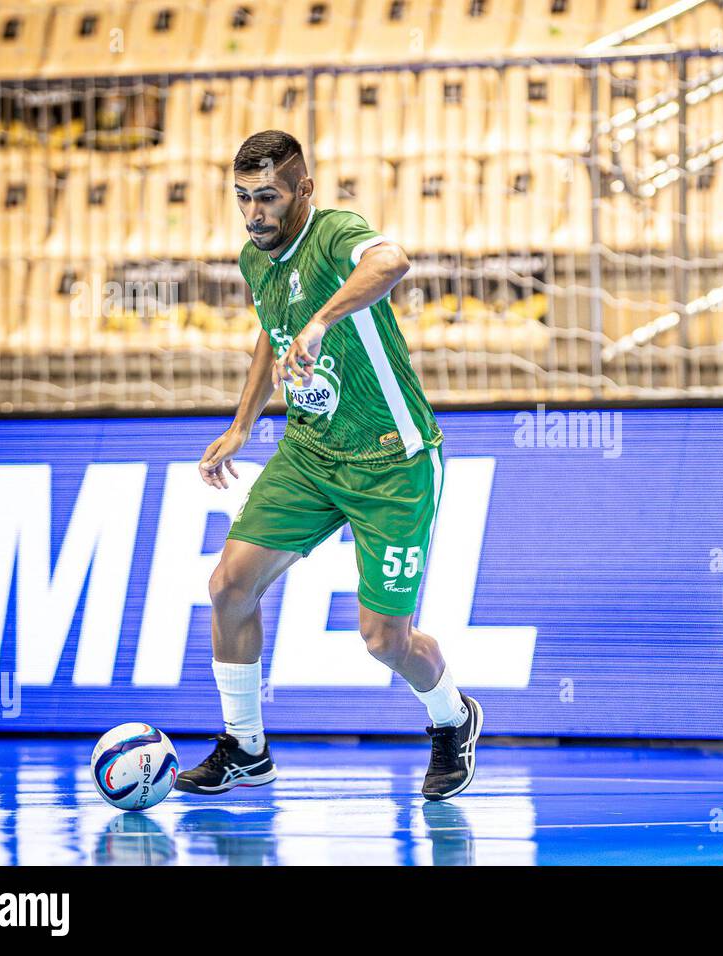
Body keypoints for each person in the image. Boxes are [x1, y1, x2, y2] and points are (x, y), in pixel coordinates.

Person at [177, 130, 482, 802]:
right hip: (311, 453)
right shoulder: (254, 259)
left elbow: (392, 261)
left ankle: (452, 718)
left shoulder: (335, 232)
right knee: (229, 586)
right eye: (243, 199)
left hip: (392, 463)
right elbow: (270, 330)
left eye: (268, 197)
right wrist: (241, 425)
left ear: (303, 191)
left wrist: (319, 323)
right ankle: (245, 748)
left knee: (384, 640)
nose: (255, 213)